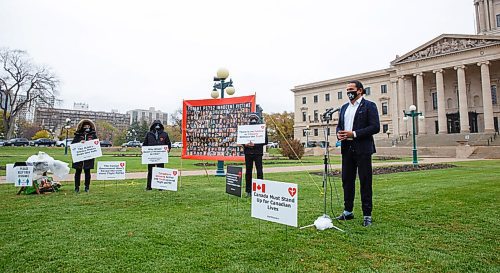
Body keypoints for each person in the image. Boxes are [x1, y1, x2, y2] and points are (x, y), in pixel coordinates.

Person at [336, 80, 380, 227]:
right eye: (347, 89)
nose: (349, 91)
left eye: (351, 89)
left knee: (365, 181)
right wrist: (339, 134)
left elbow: (375, 127)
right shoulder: (344, 108)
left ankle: (367, 214)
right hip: (346, 148)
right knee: (347, 181)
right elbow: (340, 126)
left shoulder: (369, 106)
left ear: (360, 90)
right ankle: (348, 210)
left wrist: (353, 133)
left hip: (363, 148)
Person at [243, 114, 268, 198]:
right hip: (248, 153)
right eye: (251, 119)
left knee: (259, 171)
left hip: (257, 153)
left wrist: (255, 144)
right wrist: (245, 144)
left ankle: (260, 191)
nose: (253, 120)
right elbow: (242, 139)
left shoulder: (262, 128)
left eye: (254, 119)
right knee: (248, 172)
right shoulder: (245, 128)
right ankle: (248, 190)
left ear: (257, 120)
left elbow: (265, 141)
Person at [143, 120, 171, 190]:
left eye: (158, 125)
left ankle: (160, 187)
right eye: (155, 125)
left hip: (161, 156)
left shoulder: (164, 134)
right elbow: (145, 144)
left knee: (160, 171)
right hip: (151, 156)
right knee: (150, 171)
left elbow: (168, 144)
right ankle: (149, 186)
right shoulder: (149, 134)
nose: (157, 126)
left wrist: (168, 149)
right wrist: (143, 151)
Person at [72, 119, 98, 193]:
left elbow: (96, 144)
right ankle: (76, 187)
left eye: (88, 126)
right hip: (79, 156)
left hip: (89, 156)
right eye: (85, 126)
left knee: (87, 171)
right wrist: (80, 143)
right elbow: (73, 144)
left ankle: (87, 187)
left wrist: (90, 143)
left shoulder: (93, 135)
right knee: (78, 171)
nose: (86, 127)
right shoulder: (78, 134)